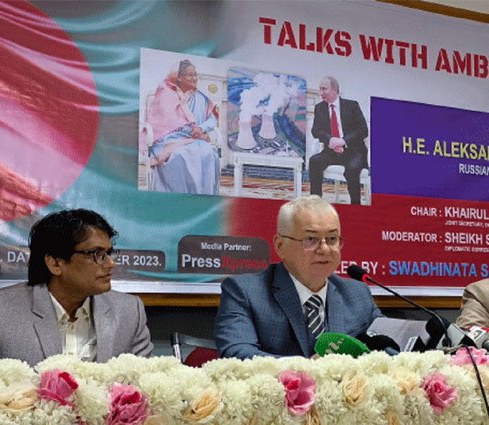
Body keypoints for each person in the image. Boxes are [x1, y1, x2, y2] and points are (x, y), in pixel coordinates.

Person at [0, 209, 153, 368]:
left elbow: (144, 388)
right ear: (55, 263)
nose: (110, 263)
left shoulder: (128, 311)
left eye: (109, 253)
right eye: (96, 254)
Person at [215, 195, 381, 359]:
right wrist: (305, 367)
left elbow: (388, 346)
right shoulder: (245, 292)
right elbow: (237, 353)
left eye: (332, 238)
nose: (324, 249)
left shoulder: (357, 294)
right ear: (280, 246)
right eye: (311, 239)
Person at [147, 59, 220, 194]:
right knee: (179, 155)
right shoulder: (166, 94)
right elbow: (166, 121)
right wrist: (191, 131)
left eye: (195, 74)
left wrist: (201, 128)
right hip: (171, 139)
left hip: (196, 139)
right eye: (190, 75)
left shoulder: (201, 98)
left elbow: (212, 119)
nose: (194, 78)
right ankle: (178, 197)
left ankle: (203, 196)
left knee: (209, 152)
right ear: (179, 77)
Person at [309, 76, 369, 205]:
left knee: (352, 169)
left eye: (324, 89)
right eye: (320, 89)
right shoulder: (320, 108)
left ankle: (356, 205)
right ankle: (315, 202)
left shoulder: (352, 106)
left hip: (353, 152)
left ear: (335, 90)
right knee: (314, 161)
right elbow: (315, 131)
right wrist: (330, 139)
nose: (321, 92)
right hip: (331, 152)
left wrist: (343, 141)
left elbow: (363, 130)